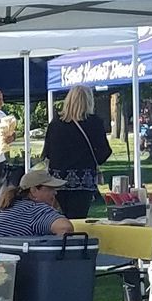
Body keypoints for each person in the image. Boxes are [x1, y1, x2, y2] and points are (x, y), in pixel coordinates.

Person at [44, 87, 111, 218]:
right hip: (83, 180)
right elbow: (104, 152)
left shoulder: (55, 124)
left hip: (57, 181)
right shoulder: (94, 123)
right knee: (78, 218)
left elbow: (48, 152)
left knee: (57, 218)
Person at [0, 162, 75, 238]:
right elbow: (65, 228)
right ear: (33, 191)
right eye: (50, 189)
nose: (55, 193)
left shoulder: (9, 209)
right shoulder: (36, 210)